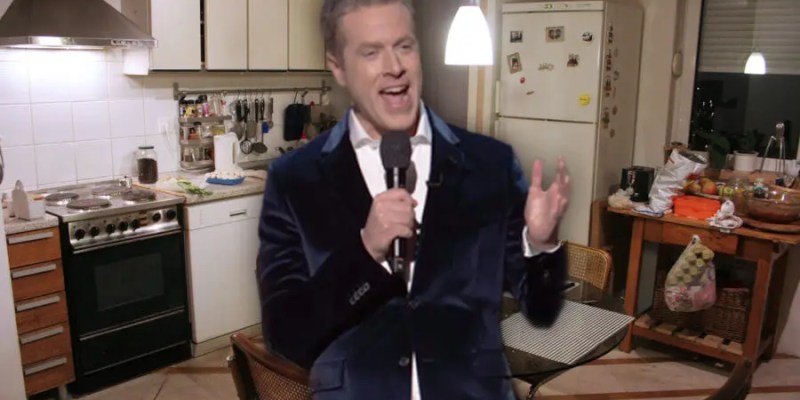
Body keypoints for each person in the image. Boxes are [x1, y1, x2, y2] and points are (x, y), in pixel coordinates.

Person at [256, 0, 571, 398]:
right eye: (371, 52)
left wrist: (540, 244)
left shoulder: (490, 164)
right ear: (337, 66)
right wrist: (366, 251)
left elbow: (541, 310)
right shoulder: (293, 180)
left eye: (404, 46)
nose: (395, 67)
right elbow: (286, 337)